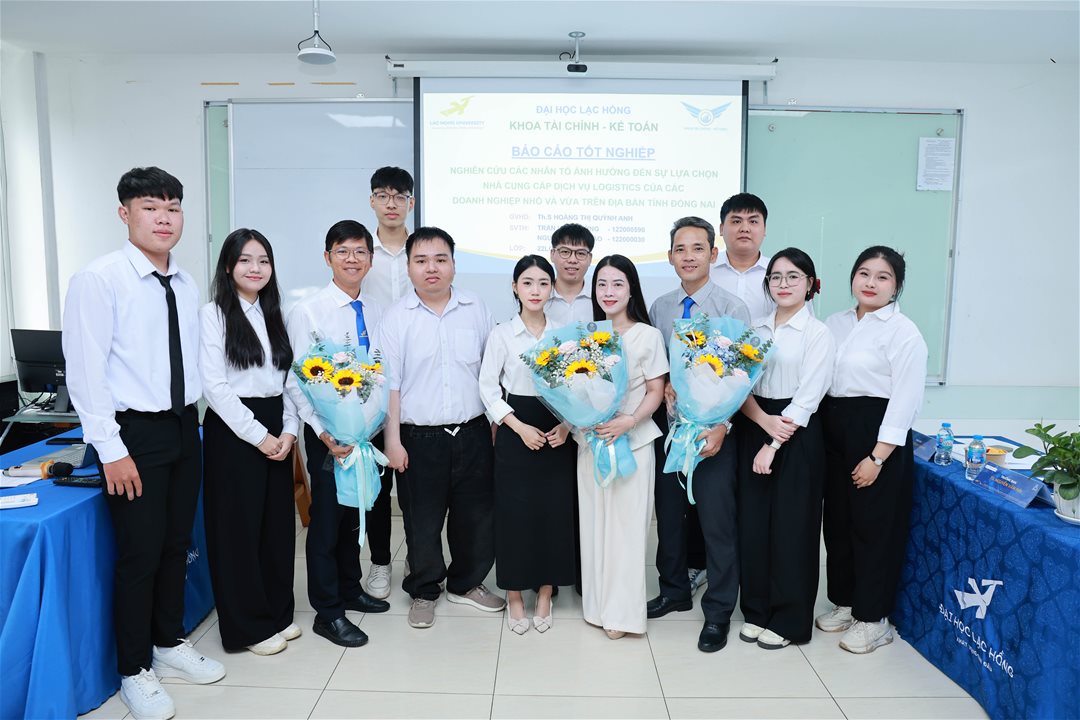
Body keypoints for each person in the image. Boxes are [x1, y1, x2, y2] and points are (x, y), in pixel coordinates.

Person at [63, 167, 225, 720]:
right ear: (124, 213)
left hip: (184, 425)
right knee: (139, 554)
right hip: (132, 433)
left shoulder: (185, 281)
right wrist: (111, 449)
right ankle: (134, 669)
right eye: (150, 207)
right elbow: (85, 372)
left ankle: (168, 641)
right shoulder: (99, 279)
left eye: (173, 207)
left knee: (177, 544)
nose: (164, 218)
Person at [379, 227, 506, 629]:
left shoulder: (475, 308)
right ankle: (424, 589)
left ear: (453, 264)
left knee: (476, 517)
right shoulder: (396, 317)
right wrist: (393, 441)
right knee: (422, 520)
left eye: (440, 259)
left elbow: (492, 372)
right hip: (418, 438)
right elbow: (389, 385)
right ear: (409, 267)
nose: (431, 268)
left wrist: (496, 425)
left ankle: (466, 583)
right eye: (421, 260)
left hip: (473, 431)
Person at [646, 217, 751, 653]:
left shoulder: (732, 308)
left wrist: (723, 426)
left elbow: (743, 377)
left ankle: (719, 611)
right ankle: (673, 590)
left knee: (717, 524)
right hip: (671, 431)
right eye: (680, 249)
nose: (688, 256)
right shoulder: (660, 307)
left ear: (713, 253)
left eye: (697, 248)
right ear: (670, 257)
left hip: (714, 434)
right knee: (670, 518)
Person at [285, 220, 391, 649]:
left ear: (371, 259)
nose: (352, 259)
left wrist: (375, 424)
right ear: (327, 257)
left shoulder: (378, 309)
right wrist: (323, 431)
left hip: (367, 433)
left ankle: (350, 588)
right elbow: (297, 379)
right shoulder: (308, 310)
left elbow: (382, 370)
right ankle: (328, 612)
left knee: (354, 514)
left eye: (360, 251)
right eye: (343, 251)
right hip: (328, 435)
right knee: (328, 522)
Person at [817, 246, 928, 654]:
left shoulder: (904, 332)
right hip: (834, 426)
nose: (870, 283)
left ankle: (873, 618)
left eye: (883, 277)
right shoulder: (835, 323)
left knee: (873, 528)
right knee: (839, 523)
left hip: (876, 434)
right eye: (864, 273)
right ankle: (847, 603)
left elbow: (905, 400)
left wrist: (878, 456)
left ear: (896, 286)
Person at [199, 229, 300, 656]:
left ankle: (277, 613)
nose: (255, 268)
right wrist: (260, 437)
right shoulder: (213, 315)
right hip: (234, 428)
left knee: (276, 528)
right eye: (245, 260)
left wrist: (290, 430)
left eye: (263, 260)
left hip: (277, 423)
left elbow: (290, 379)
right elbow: (215, 387)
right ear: (228, 266)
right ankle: (247, 627)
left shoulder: (276, 314)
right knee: (236, 532)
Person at [736, 247, 835, 650]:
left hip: (797, 432)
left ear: (810, 284)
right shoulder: (755, 329)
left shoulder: (818, 333)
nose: (783, 284)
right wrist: (762, 423)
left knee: (793, 528)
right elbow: (738, 385)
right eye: (776, 277)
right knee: (754, 524)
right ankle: (756, 611)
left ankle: (790, 619)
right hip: (755, 421)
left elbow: (809, 396)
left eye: (793, 276)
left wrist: (773, 443)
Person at [478, 255, 577, 635]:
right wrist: (518, 427)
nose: (535, 290)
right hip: (516, 429)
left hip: (557, 431)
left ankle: (546, 591)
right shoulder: (502, 334)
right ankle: (515, 593)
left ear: (552, 288)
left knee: (554, 513)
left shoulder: (565, 333)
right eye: (527, 282)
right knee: (514, 516)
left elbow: (580, 387)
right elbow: (488, 388)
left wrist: (567, 425)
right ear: (515, 287)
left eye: (543, 283)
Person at [578, 254, 667, 640]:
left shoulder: (648, 335)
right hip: (593, 442)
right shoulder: (587, 335)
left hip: (632, 441)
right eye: (602, 284)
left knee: (627, 530)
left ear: (632, 289)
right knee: (595, 526)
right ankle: (598, 607)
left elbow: (656, 390)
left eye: (617, 283)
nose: (609, 291)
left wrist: (629, 421)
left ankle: (623, 614)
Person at [357, 166, 415, 599]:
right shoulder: (361, 251)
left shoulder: (424, 248)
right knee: (377, 485)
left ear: (411, 202)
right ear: (372, 200)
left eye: (399, 196)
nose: (391, 203)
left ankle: (418, 556)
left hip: (418, 382)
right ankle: (380, 561)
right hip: (372, 385)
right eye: (383, 195)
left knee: (417, 485)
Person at [711, 193, 774, 321]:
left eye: (753, 221)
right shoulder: (705, 271)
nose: (745, 228)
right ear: (721, 229)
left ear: (764, 229)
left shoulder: (778, 273)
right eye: (736, 221)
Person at [545, 223, 595, 326]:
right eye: (565, 252)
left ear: (590, 259)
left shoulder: (600, 298)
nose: (572, 260)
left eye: (580, 253)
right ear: (552, 254)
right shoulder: (539, 297)